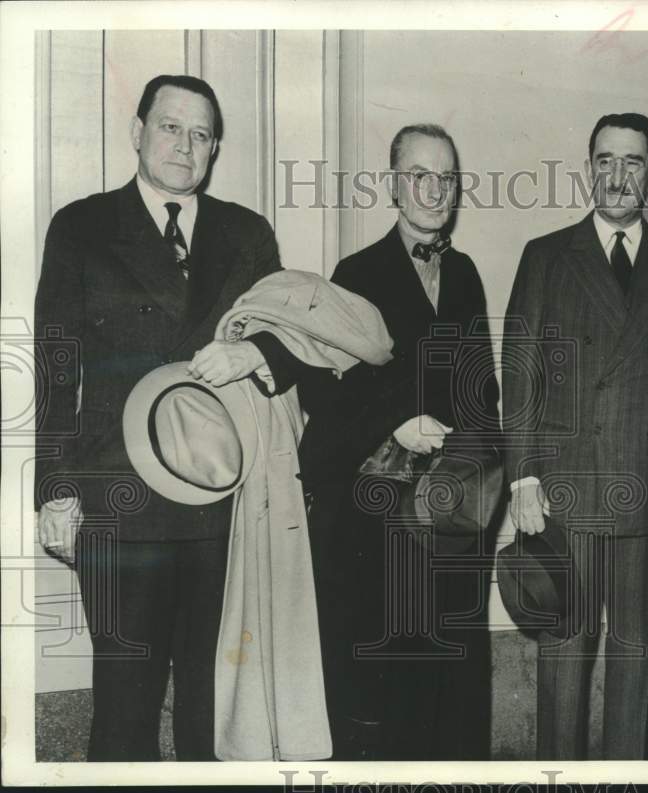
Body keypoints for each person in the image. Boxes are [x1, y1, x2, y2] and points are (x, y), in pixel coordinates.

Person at [34, 74, 282, 760]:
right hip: (119, 502)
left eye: (201, 133)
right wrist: (54, 489)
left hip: (219, 506)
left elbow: (290, 344)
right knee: (124, 707)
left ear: (216, 149)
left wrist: (254, 352)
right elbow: (57, 371)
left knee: (214, 708)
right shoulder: (81, 227)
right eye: (171, 126)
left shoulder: (248, 234)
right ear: (137, 131)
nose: (185, 144)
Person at [251, 123, 500, 760]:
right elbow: (326, 397)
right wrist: (397, 426)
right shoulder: (355, 272)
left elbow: (482, 390)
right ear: (394, 184)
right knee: (393, 691)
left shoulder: (467, 274)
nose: (435, 190)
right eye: (421, 175)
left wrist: (489, 475)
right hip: (385, 523)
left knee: (458, 690)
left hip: (458, 514)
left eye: (446, 177)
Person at [501, 112, 648, 760]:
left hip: (647, 487)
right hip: (564, 491)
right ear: (589, 168)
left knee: (635, 660)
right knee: (563, 660)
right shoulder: (547, 257)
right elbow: (519, 373)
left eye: (632, 161)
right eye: (605, 160)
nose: (617, 175)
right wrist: (522, 477)